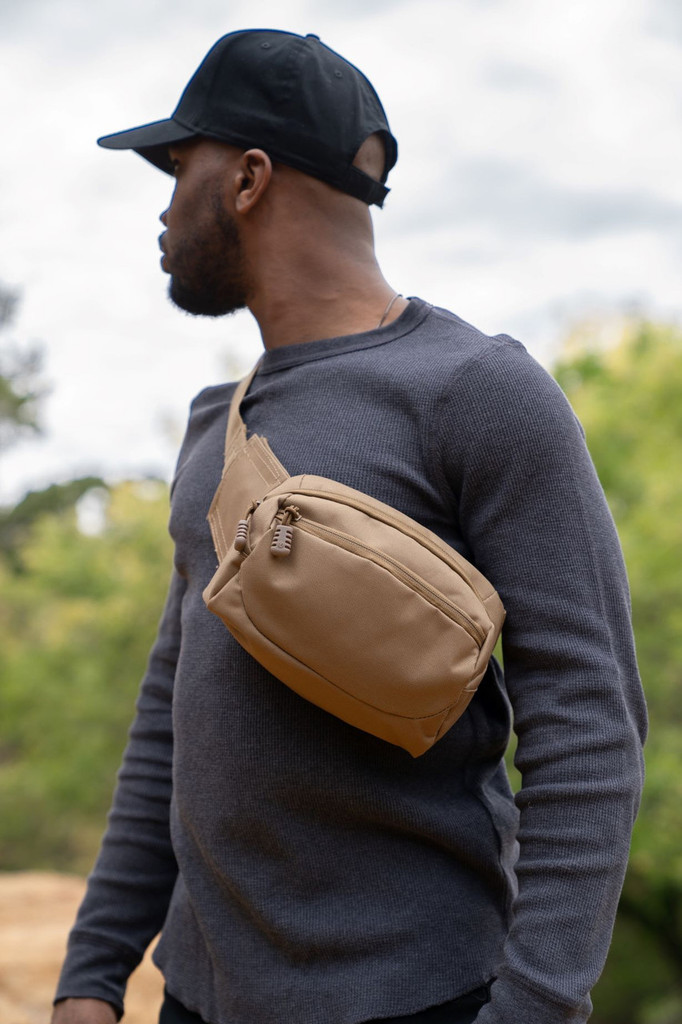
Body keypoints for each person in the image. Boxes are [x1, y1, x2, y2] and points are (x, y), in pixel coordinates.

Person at [52, 28, 647, 1024]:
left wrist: (536, 1005)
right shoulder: (217, 421)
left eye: (177, 167)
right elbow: (172, 714)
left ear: (248, 178)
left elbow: (589, 724)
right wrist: (93, 971)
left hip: (419, 998)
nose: (162, 205)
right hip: (198, 999)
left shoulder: (479, 392)